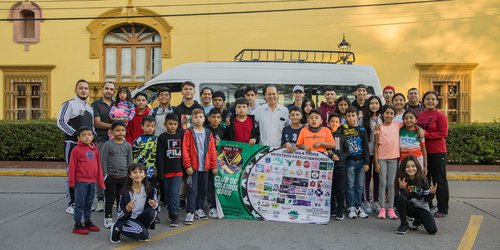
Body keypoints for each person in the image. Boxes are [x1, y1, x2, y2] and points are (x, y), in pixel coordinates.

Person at [57, 79, 94, 215]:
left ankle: (83, 203)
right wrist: (76, 135)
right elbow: (61, 122)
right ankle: (71, 203)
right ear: (76, 90)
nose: (84, 90)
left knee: (85, 174)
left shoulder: (89, 108)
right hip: (72, 144)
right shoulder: (69, 104)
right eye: (81, 88)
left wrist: (92, 140)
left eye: (86, 88)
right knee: (72, 173)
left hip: (87, 147)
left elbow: (92, 128)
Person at [182, 109, 218, 225]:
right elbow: (185, 150)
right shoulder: (188, 132)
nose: (198, 119)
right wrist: (187, 165)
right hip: (193, 167)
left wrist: (213, 166)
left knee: (203, 190)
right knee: (192, 190)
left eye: (200, 116)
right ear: (192, 119)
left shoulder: (208, 133)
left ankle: (199, 209)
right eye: (196, 116)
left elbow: (212, 150)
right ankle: (190, 212)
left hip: (205, 167)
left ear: (204, 118)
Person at [68, 126, 105, 235]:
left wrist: (101, 182)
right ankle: (78, 225)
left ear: (93, 136)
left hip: (92, 181)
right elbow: (72, 167)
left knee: (89, 203)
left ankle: (88, 222)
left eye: (89, 135)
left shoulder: (95, 149)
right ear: (79, 137)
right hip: (80, 182)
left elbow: (98, 166)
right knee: (80, 203)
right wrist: (71, 182)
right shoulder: (76, 150)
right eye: (83, 135)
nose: (87, 137)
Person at [417, 91, 449, 218]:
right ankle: (428, 204)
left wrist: (427, 135)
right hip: (423, 151)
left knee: (439, 180)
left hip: (437, 152)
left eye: (433, 99)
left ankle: (443, 208)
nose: (430, 101)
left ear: (437, 102)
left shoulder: (440, 116)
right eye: (427, 99)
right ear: (423, 101)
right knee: (425, 179)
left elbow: (443, 133)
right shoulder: (420, 115)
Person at [110, 163, 160, 243]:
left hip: (140, 218)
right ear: (130, 175)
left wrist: (154, 205)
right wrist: (127, 209)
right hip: (128, 219)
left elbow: (157, 209)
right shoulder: (125, 193)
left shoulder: (150, 189)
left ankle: (140, 230)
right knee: (144, 235)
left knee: (152, 212)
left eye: (140, 172)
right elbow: (119, 215)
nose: (138, 175)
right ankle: (116, 227)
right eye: (134, 172)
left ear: (144, 174)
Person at [101, 120, 133, 229]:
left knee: (122, 199)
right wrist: (105, 176)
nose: (120, 132)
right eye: (117, 130)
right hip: (111, 177)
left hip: (124, 177)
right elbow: (103, 161)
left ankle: (121, 217)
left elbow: (130, 162)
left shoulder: (128, 146)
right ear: (112, 132)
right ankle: (108, 218)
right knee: (110, 199)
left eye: (122, 130)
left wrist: (130, 176)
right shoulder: (108, 145)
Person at [395, 156, 437, 235]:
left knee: (432, 230)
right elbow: (403, 199)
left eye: (413, 166)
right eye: (407, 167)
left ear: (417, 166)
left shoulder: (423, 179)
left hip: (422, 208)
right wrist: (403, 188)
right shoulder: (401, 179)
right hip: (410, 208)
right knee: (401, 198)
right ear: (403, 168)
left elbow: (427, 199)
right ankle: (404, 224)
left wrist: (432, 193)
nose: (411, 169)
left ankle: (418, 220)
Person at [342, 107, 370, 219]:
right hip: (349, 161)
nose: (351, 118)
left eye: (353, 115)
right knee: (349, 185)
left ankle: (359, 206)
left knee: (359, 185)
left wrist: (366, 162)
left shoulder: (362, 130)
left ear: (358, 116)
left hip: (361, 161)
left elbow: (366, 147)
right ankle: (351, 206)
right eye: (348, 116)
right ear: (345, 117)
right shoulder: (343, 129)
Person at [374, 105, 401, 220]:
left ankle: (391, 209)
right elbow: (375, 146)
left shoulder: (398, 125)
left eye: (391, 113)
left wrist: (420, 128)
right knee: (383, 183)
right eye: (387, 113)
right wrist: (376, 162)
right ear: (383, 114)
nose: (389, 115)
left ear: (394, 115)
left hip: (394, 158)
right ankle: (382, 208)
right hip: (381, 159)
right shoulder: (378, 127)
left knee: (391, 184)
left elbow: (412, 123)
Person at [156, 113, 184, 227]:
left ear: (178, 124)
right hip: (166, 171)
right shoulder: (162, 137)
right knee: (167, 195)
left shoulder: (181, 135)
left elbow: (185, 153)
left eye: (175, 124)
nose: (172, 126)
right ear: (165, 124)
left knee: (174, 193)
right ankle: (170, 211)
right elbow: (160, 156)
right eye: (170, 124)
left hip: (178, 171)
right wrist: (160, 173)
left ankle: (175, 215)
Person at [91, 81, 115, 212]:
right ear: (102, 90)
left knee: (115, 170)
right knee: (101, 170)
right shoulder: (96, 104)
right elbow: (97, 123)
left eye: (111, 89)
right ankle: (100, 199)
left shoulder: (117, 104)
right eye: (107, 88)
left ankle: (113, 198)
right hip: (101, 140)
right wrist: (114, 127)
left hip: (116, 141)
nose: (109, 91)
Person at [361, 96, 383, 214]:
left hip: (381, 154)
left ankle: (376, 200)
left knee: (377, 177)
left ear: (379, 105)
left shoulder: (383, 118)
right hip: (367, 153)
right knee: (366, 177)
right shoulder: (363, 119)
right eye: (371, 103)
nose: (374, 105)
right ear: (368, 105)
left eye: (376, 103)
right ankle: (367, 201)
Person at [328, 113, 349, 221]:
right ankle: (331, 209)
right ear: (328, 122)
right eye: (332, 121)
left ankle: (340, 209)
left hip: (340, 166)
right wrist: (330, 155)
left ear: (340, 123)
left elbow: (347, 151)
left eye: (336, 122)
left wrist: (339, 158)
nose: (334, 124)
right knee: (329, 188)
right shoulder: (325, 134)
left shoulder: (343, 136)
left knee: (340, 189)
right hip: (327, 166)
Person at [206, 108, 225, 218]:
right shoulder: (206, 129)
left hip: (221, 160)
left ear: (221, 118)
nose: (215, 119)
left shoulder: (223, 130)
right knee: (210, 183)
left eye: (218, 117)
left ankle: (221, 203)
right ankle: (211, 204)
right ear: (208, 118)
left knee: (220, 182)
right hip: (208, 160)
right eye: (213, 117)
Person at [400, 110, 427, 174]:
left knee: (417, 180)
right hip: (403, 160)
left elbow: (423, 148)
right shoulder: (399, 130)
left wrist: (425, 166)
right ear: (403, 120)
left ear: (416, 120)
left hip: (418, 159)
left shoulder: (420, 132)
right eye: (406, 118)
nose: (408, 120)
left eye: (411, 118)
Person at [132, 116, 157, 185]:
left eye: (152, 126)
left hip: (153, 170)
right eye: (147, 126)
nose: (150, 128)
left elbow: (159, 156)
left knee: (152, 190)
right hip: (140, 172)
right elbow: (134, 155)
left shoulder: (157, 140)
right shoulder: (138, 140)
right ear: (142, 126)